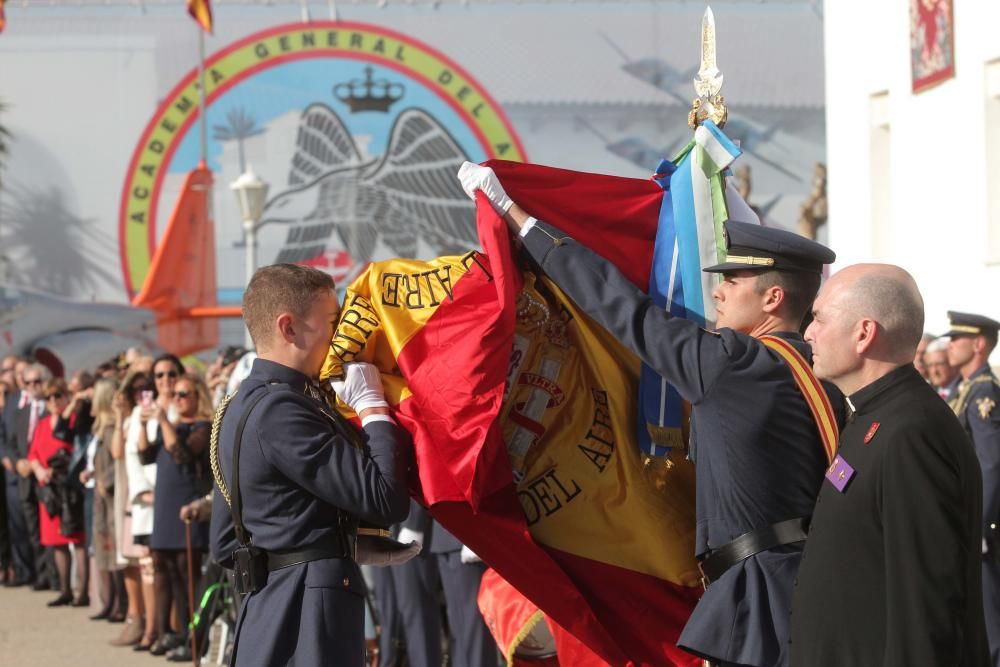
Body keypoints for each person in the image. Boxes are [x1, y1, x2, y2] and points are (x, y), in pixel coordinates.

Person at [458, 163, 844, 667]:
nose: (719, 292)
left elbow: (623, 308)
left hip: (759, 598)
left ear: (773, 297)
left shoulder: (734, 364)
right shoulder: (826, 375)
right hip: (813, 583)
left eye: (734, 280)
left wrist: (518, 218)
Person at [209, 263, 412, 666]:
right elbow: (385, 497)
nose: (342, 337)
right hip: (306, 612)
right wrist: (372, 407)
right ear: (289, 328)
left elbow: (225, 543)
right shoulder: (283, 409)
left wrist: (337, 543)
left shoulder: (239, 406)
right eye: (333, 322)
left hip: (272, 605)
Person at [789, 265, 989, 665]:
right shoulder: (872, 418)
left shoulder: (910, 432)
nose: (807, 332)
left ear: (864, 333)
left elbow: (924, 604)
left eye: (820, 318)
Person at [945, 311, 1000, 666]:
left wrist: (980, 522)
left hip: (980, 521)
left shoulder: (983, 391)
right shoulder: (963, 388)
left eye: (957, 338)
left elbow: (990, 463)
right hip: (965, 514)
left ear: (979, 344)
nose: (949, 345)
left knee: (989, 611)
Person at [148, 374, 213, 662]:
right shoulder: (173, 426)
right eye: (174, 394)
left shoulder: (204, 426)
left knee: (188, 573)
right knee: (168, 568)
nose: (177, 398)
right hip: (166, 504)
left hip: (190, 503)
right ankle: (173, 631)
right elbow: (144, 454)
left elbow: (182, 454)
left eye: (183, 393)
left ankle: (195, 637)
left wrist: (163, 421)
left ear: (198, 395)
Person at [27, 378, 87, 606]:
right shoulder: (43, 424)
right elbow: (33, 453)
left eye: (57, 396)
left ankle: (82, 591)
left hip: (68, 488)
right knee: (56, 541)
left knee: (76, 539)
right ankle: (65, 590)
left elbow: (75, 451)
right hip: (48, 490)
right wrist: (40, 470)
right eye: (49, 398)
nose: (53, 401)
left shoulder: (72, 421)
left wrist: (54, 469)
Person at [82, 377, 127, 622]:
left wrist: (104, 481)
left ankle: (119, 603)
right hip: (99, 497)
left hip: (109, 499)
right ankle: (110, 602)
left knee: (113, 550)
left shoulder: (110, 430)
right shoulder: (100, 429)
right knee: (103, 549)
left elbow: (114, 465)